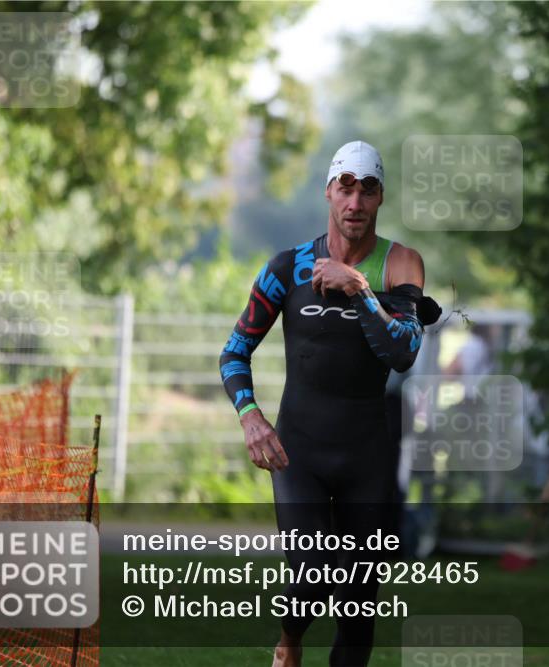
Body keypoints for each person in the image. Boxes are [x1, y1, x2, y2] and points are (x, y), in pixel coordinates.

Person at [219, 140, 439, 667]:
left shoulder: (400, 263)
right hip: (301, 452)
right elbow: (234, 352)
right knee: (313, 569)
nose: (355, 202)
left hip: (367, 453)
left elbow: (404, 353)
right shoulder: (288, 267)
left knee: (360, 607)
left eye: (367, 190)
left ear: (381, 197)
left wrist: (359, 288)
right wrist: (251, 418)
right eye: (346, 188)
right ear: (329, 192)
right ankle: (290, 639)